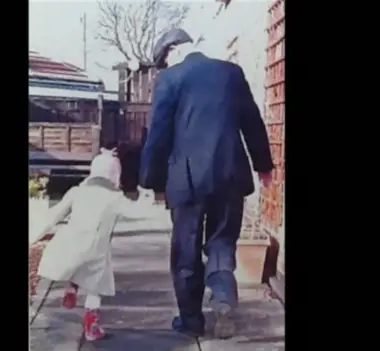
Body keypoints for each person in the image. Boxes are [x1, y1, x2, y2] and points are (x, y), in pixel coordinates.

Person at [139, 28, 274, 339]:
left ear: (171, 51)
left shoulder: (170, 79)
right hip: (230, 174)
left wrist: (149, 179)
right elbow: (252, 120)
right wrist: (263, 165)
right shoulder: (231, 72)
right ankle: (224, 297)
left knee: (185, 249)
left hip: (186, 181)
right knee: (222, 241)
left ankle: (191, 321)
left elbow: (158, 135)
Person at [29, 152, 152, 341]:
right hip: (96, 250)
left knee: (74, 264)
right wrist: (146, 196)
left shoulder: (77, 191)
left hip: (71, 241)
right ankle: (91, 326)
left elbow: (53, 216)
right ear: (115, 176)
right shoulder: (114, 199)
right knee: (96, 286)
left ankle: (71, 287)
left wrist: (33, 237)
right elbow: (137, 212)